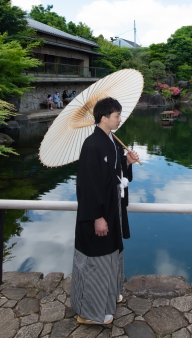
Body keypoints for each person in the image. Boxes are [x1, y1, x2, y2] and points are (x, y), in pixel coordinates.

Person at [72, 97, 140, 325]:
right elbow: (88, 184)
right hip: (99, 215)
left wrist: (126, 162)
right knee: (96, 262)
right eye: (116, 116)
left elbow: (112, 173)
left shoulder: (110, 141)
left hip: (112, 210)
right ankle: (89, 313)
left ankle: (109, 297)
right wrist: (97, 217)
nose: (120, 119)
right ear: (104, 118)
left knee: (111, 257)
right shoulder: (92, 145)